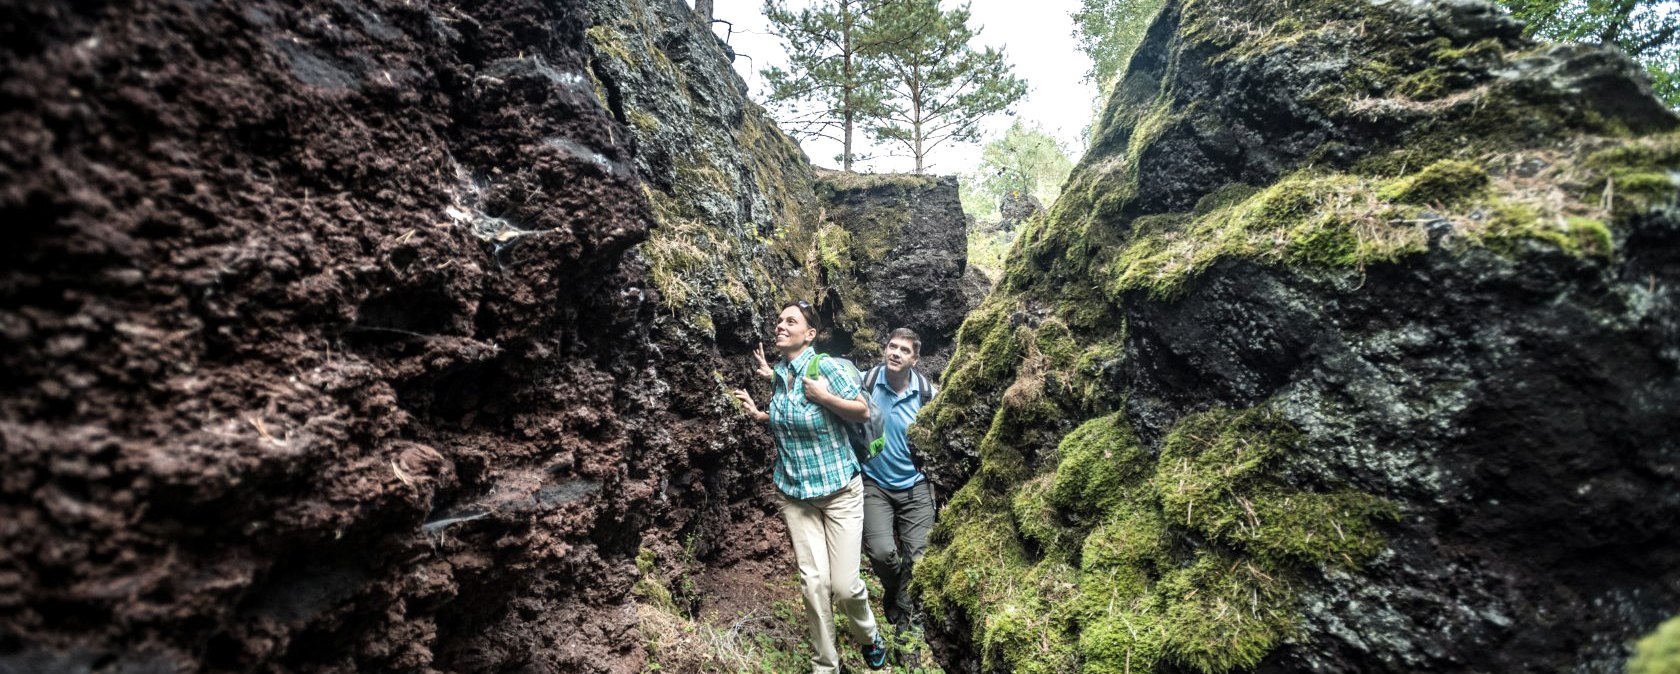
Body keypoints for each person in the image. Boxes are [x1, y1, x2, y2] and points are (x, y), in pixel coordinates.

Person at [731, 300, 888, 672]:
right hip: (795, 495)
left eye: (790, 321)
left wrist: (825, 397)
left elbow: (862, 410)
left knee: (846, 587)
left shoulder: (826, 368)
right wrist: (760, 414)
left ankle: (869, 636)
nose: (780, 326)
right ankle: (825, 665)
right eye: (779, 321)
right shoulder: (782, 373)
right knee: (813, 585)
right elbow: (792, 418)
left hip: (840, 493)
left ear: (810, 333)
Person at [859, 328, 937, 631]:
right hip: (874, 483)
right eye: (892, 347)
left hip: (916, 486)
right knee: (881, 553)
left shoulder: (929, 395)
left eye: (904, 350)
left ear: (915, 359)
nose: (896, 353)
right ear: (884, 350)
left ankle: (906, 633)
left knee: (917, 562)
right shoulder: (864, 382)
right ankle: (893, 592)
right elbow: (821, 381)